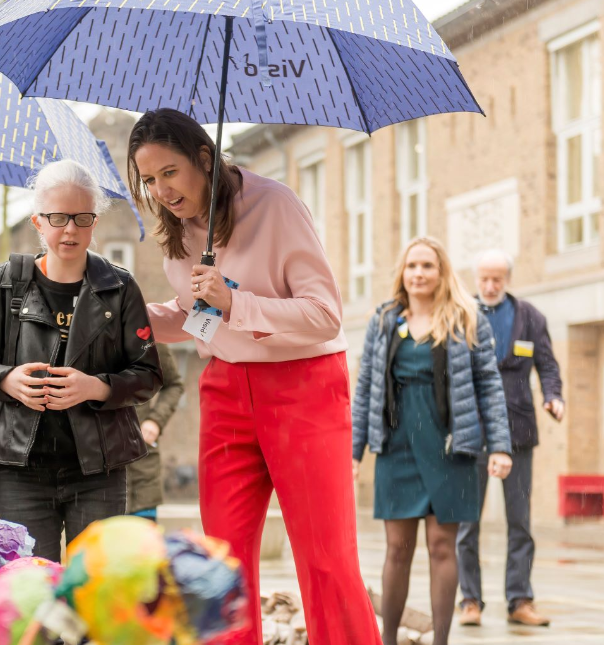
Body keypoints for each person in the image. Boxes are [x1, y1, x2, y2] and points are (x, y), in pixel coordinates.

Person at [128, 107, 380, 645]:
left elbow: (324, 315)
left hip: (304, 387)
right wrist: (127, 317)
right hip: (224, 389)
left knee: (325, 559)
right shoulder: (177, 230)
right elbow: (195, 316)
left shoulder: (275, 205)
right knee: (221, 561)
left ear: (204, 157)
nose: (161, 191)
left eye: (169, 173)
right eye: (148, 180)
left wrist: (235, 300)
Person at [0, 159, 163, 562]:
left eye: (81, 217)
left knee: (95, 592)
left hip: (99, 471)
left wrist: (97, 387)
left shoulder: (120, 287)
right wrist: (6, 380)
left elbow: (148, 374)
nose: (69, 229)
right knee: (31, 592)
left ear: (94, 223)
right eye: (58, 217)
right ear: (38, 221)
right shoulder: (1, 283)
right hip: (21, 469)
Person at [352, 237, 514, 645]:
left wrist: (499, 445)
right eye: (412, 266)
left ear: (442, 273)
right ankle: (386, 639)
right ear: (402, 273)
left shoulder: (465, 317)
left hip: (450, 447)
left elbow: (489, 386)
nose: (419, 273)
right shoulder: (384, 319)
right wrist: (353, 453)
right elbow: (367, 386)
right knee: (397, 548)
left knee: (443, 547)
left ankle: (441, 641)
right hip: (397, 445)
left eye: (427, 266)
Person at [457, 249, 564, 628]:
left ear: (507, 280)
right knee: (467, 523)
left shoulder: (530, 317)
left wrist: (553, 395)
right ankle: (469, 600)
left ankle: (520, 599)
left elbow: (548, 365)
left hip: (518, 433)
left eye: (497, 279)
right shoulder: (459, 313)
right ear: (475, 278)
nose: (490, 286)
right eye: (484, 278)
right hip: (472, 433)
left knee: (520, 522)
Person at [128, 343, 184, 520]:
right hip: (95, 473)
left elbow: (174, 384)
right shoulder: (86, 332)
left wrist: (155, 421)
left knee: (144, 544)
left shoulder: (149, 337)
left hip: (141, 468)